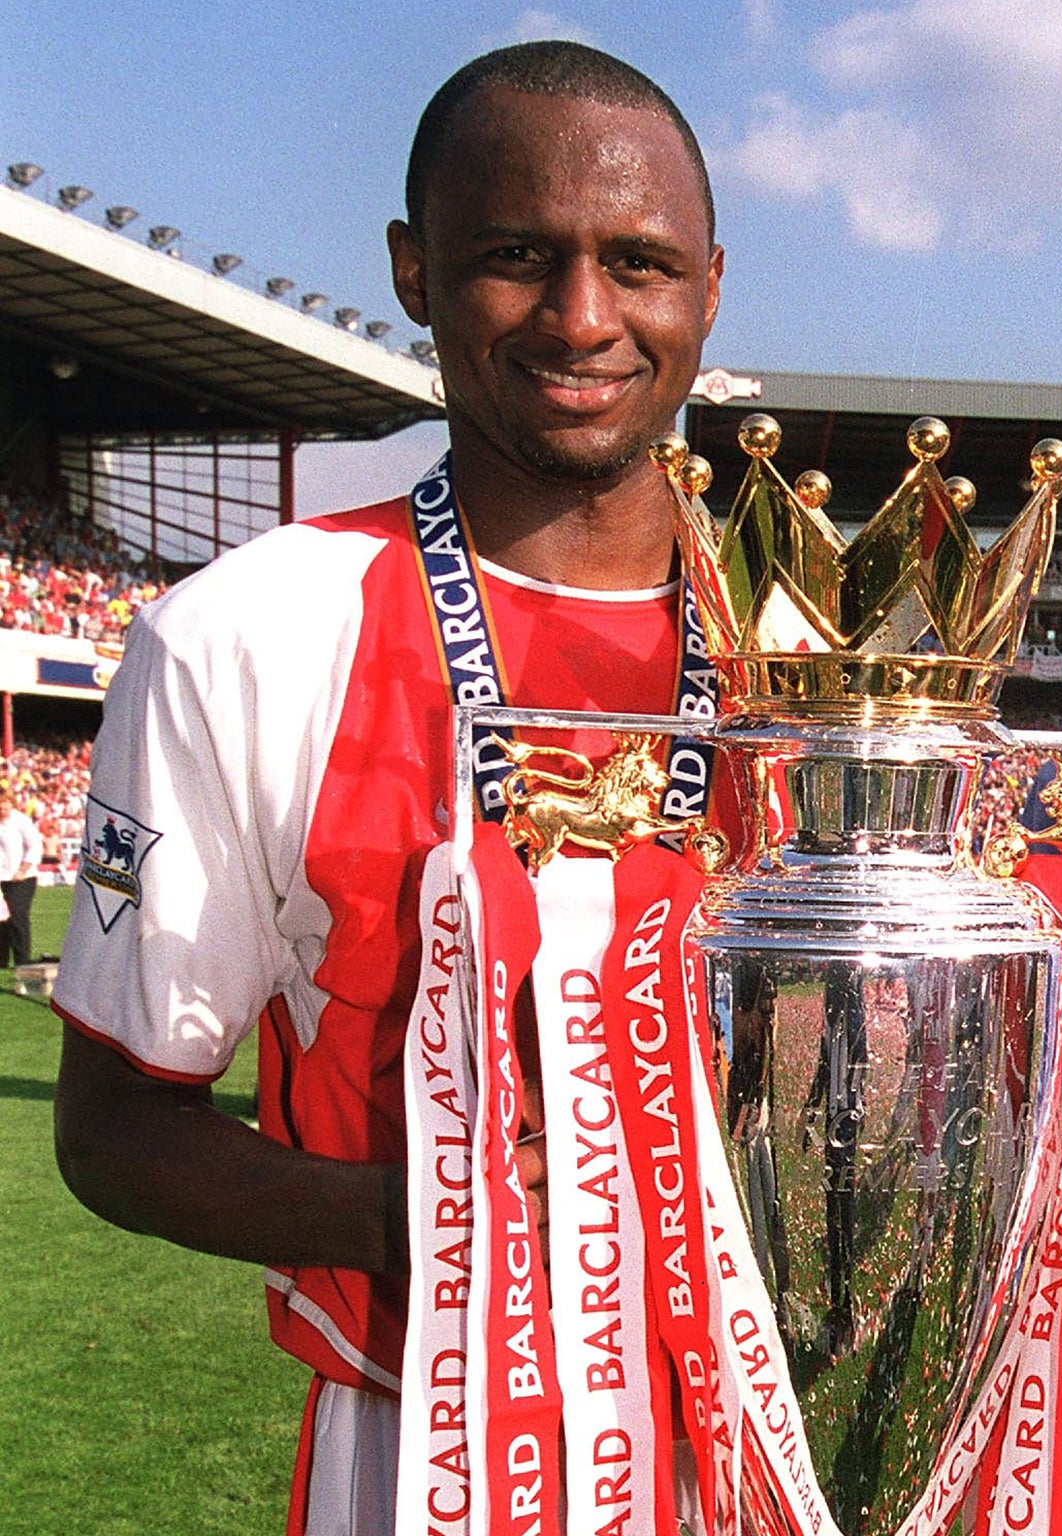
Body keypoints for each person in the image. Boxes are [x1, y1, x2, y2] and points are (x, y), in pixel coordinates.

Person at [50, 41, 721, 1536]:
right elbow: (110, 1124)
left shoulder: (816, 661)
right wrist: (418, 1220)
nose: (585, 317)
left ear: (712, 288)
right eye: (515, 258)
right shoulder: (245, 630)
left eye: (641, 263)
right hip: (422, 1447)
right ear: (414, 272)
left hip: (774, 1452)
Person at [0, 786, 42, 963]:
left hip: (21, 878)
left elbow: (35, 846)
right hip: (2, 876)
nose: (2, 808)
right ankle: (2, 961)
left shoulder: (21, 821)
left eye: (5, 804)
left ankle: (22, 961)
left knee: (17, 916)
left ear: (11, 803)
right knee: (1, 920)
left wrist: (23, 869)